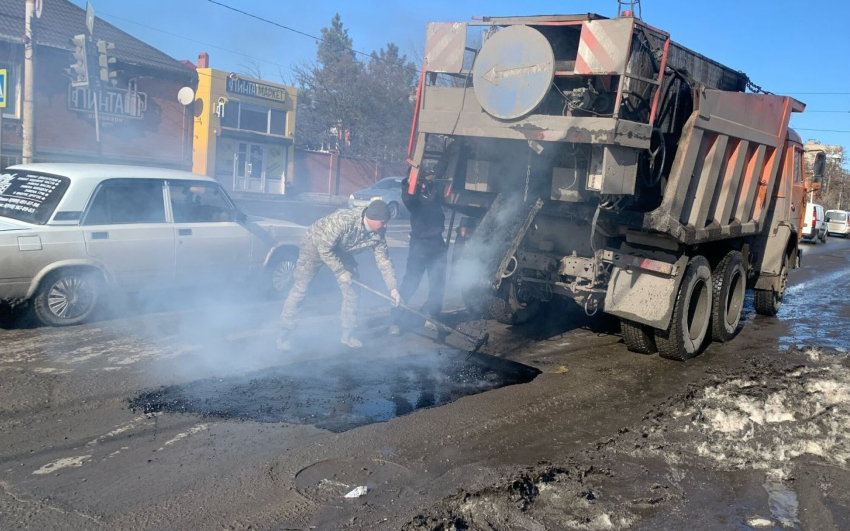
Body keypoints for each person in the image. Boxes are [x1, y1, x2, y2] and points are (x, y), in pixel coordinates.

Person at [278, 200, 401, 351]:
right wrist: (340, 271)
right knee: (301, 290)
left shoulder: (379, 233)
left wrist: (393, 289)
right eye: (383, 222)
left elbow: (384, 261)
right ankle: (284, 333)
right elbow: (324, 248)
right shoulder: (344, 220)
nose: (385, 226)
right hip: (314, 246)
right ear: (372, 218)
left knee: (353, 291)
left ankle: (348, 334)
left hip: (341, 250)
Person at [389, 171, 447, 336]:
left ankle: (432, 316)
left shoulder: (432, 192)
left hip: (437, 244)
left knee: (438, 286)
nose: (423, 184)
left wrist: (432, 181)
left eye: (425, 181)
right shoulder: (413, 198)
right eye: (419, 181)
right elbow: (408, 199)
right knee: (410, 284)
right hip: (420, 245)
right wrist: (409, 182)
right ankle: (395, 320)